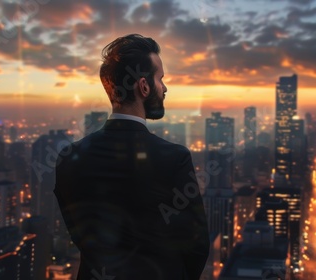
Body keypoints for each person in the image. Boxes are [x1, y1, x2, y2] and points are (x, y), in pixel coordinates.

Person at [54, 34, 209, 280]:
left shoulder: (68, 157)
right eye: (161, 79)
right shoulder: (174, 158)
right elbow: (197, 247)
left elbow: (78, 234)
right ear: (144, 86)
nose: (165, 88)